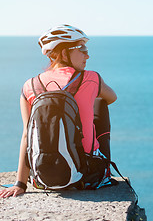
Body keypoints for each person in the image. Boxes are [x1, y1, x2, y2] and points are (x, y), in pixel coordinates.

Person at [0, 24, 117, 198]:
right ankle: (105, 171)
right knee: (100, 104)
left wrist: (20, 184)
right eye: (82, 48)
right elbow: (112, 97)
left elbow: (27, 135)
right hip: (86, 177)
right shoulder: (91, 78)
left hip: (43, 178)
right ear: (63, 53)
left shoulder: (30, 86)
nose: (87, 54)